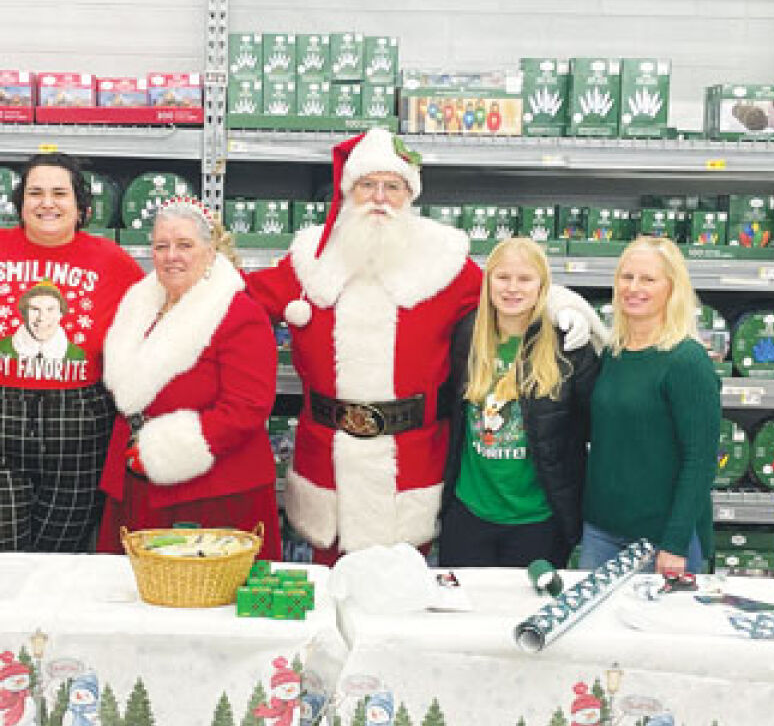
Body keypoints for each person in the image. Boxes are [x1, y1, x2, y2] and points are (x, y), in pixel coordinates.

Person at [244, 128, 598, 564]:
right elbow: (244, 299)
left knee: (405, 590)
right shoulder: (310, 259)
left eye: (392, 186)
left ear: (410, 194)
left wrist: (560, 305)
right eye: (367, 185)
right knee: (329, 591)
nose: (379, 197)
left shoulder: (442, 260)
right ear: (348, 190)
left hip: (409, 464)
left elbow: (504, 290)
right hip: (329, 465)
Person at [0, 152, 145, 552]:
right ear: (19, 205)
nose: (46, 202)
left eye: (59, 193)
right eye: (35, 192)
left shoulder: (113, 262)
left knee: (57, 564)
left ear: (81, 207)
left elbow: (150, 327)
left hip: (80, 430)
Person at [97, 199, 281, 558]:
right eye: (161, 246)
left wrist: (163, 450)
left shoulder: (239, 313)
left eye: (185, 245)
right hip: (134, 482)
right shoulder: (139, 305)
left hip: (210, 491)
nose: (171, 256)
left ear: (210, 252)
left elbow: (247, 408)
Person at [440, 237, 601, 568]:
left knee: (527, 617)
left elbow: (593, 428)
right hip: (469, 514)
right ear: (488, 282)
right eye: (503, 277)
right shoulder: (466, 337)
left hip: (538, 520)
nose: (512, 288)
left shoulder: (568, 347)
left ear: (542, 286)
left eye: (525, 279)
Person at [580, 236, 720, 575]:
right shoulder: (614, 352)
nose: (634, 287)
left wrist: (674, 543)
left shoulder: (686, 360)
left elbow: (700, 460)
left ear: (672, 288)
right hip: (602, 532)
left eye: (648, 279)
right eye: (627, 277)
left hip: (664, 539)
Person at [0, 282, 86, 364]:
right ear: (24, 313)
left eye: (50, 309)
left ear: (61, 313)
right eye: (34, 309)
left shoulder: (77, 354)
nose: (41, 318)